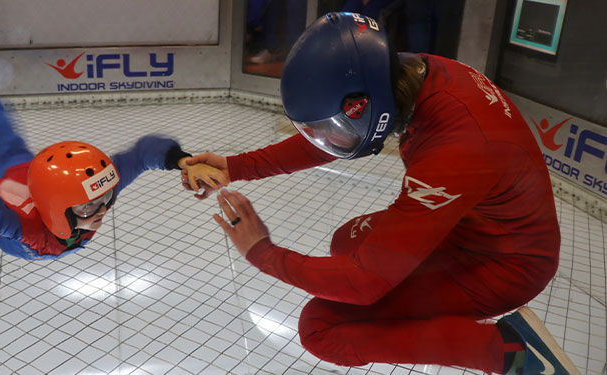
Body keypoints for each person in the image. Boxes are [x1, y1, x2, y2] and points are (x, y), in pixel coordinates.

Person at [182, 12, 579, 375]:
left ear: (363, 106)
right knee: (346, 241)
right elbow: (338, 137)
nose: (328, 139)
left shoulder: (458, 148)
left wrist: (261, 252)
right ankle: (436, 311)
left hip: (506, 266)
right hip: (470, 223)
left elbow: (363, 282)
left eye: (332, 126)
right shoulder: (408, 72)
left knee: (321, 327)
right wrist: (235, 167)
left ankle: (511, 353)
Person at [0, 81, 226, 296]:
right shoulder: (26, 228)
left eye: (105, 199)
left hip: (26, 175)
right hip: (0, 197)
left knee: (8, 144)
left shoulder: (92, 193)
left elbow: (140, 155)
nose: (101, 212)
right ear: (58, 209)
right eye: (87, 208)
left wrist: (184, 161)